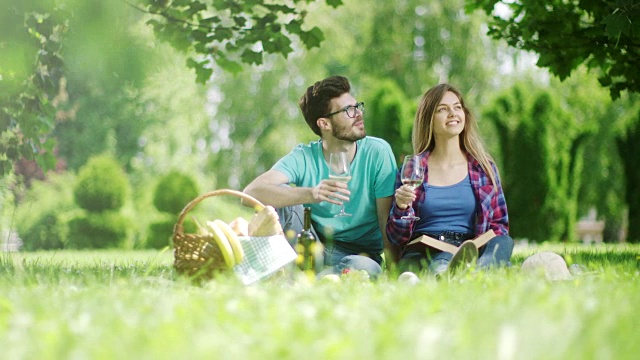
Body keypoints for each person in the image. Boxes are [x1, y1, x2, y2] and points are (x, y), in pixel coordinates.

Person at [243, 75, 398, 278]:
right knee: (282, 194)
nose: (358, 114)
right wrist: (311, 194)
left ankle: (308, 279)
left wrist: (394, 270)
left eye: (357, 106)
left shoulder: (378, 152)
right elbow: (250, 193)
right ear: (324, 123)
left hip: (360, 254)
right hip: (312, 247)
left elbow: (386, 219)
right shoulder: (304, 156)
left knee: (365, 267)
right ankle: (280, 271)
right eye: (348, 111)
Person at [386, 83, 513, 276]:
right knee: (439, 259)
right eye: (442, 109)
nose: (452, 113)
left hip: (469, 248)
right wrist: (401, 207)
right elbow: (397, 237)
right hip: (425, 251)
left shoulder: (483, 168)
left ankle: (479, 270)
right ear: (429, 119)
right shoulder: (413, 169)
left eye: (457, 107)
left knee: (504, 242)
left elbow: (499, 225)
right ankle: (459, 272)